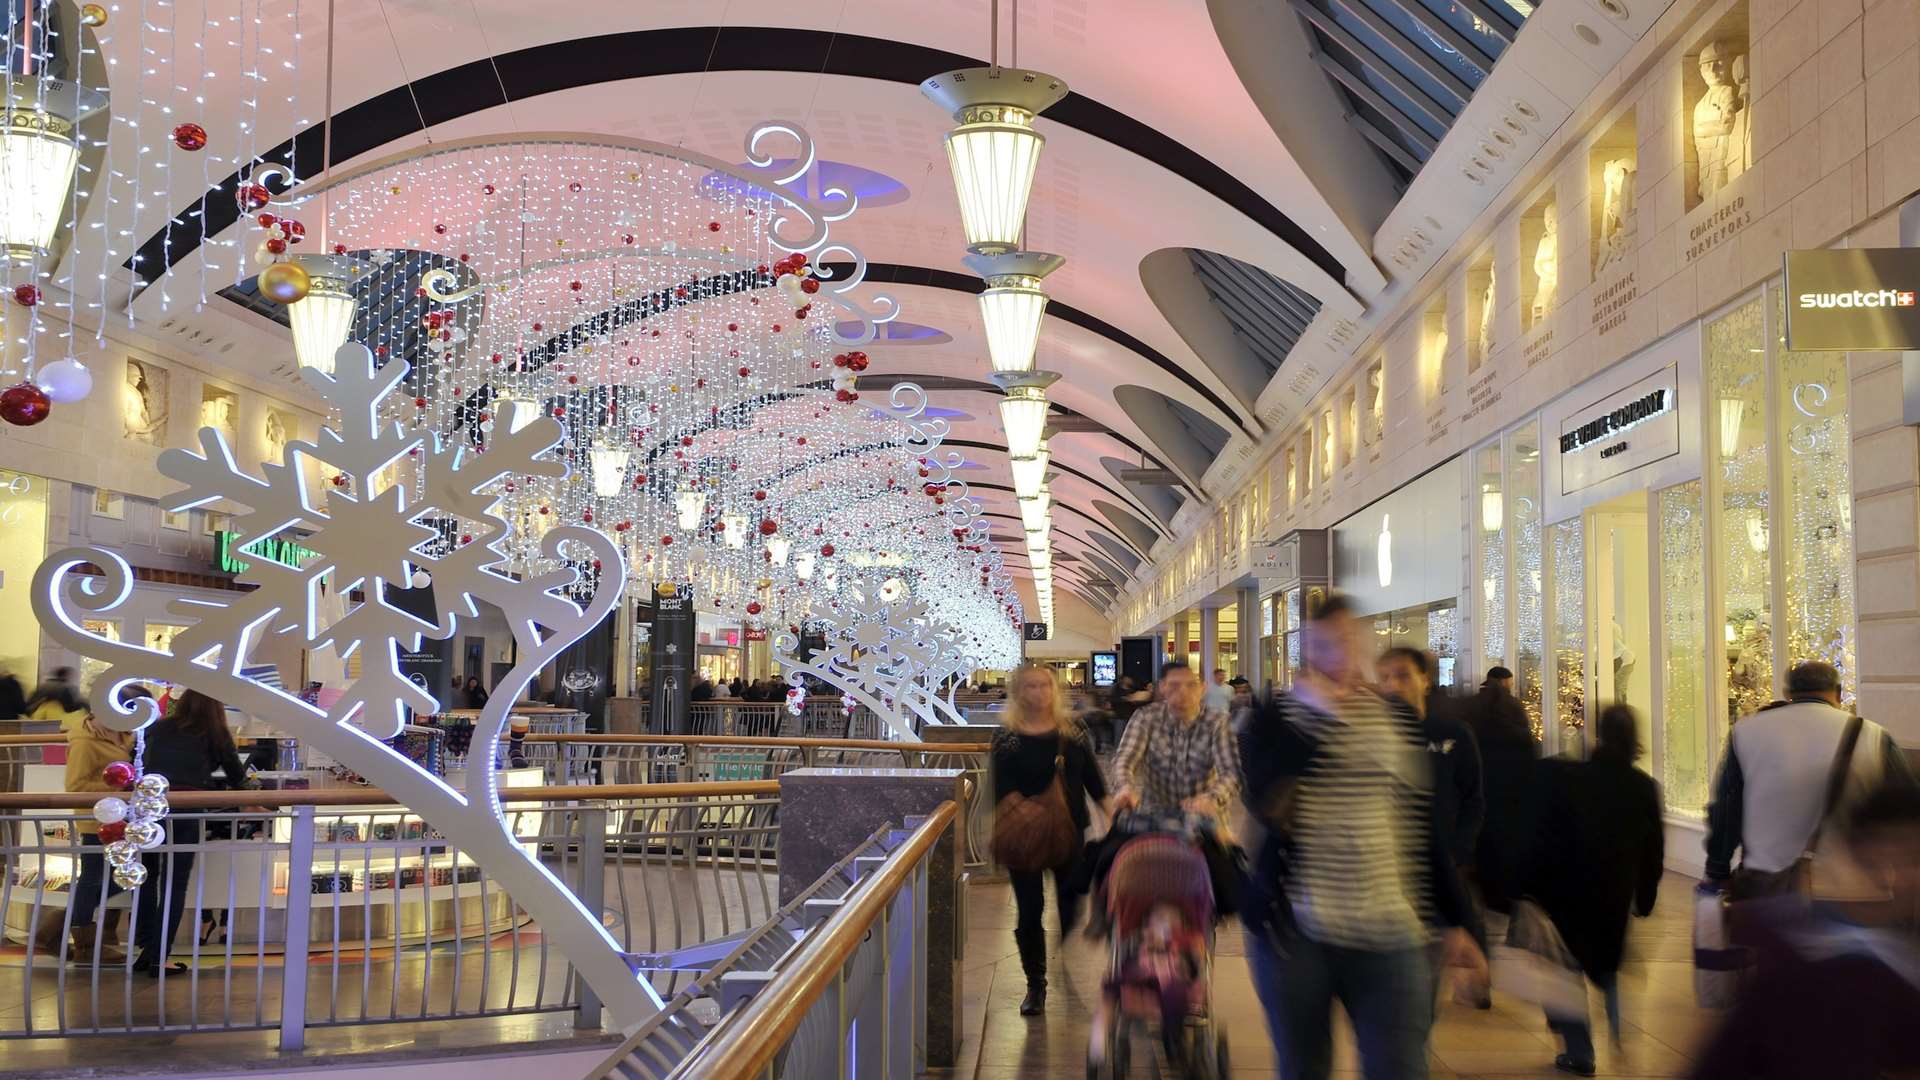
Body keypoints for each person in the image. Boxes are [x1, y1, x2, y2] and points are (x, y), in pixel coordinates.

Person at [1238, 594, 1484, 1080]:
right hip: (1295, 931)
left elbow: (1419, 825)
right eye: (1329, 643)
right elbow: (1266, 800)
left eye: (1352, 639)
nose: (1344, 652)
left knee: (1400, 1066)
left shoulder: (1394, 720)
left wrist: (1459, 920)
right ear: (1308, 650)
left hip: (1393, 928)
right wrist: (1321, 715)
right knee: (1304, 1066)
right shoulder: (1276, 719)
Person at [1691, 782, 1920, 1079]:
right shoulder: (1872, 968)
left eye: (1913, 860)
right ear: (1860, 853)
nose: (1898, 875)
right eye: (1891, 855)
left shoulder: (1789, 932)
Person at [1705, 660, 1917, 924]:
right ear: (1838, 693)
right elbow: (1904, 814)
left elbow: (1727, 809)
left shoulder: (1745, 732)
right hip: (1855, 892)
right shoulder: (1874, 737)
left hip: (1768, 886)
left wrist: (1717, 868)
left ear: (1788, 693)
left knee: (1774, 962)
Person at [1523, 705, 1664, 1077]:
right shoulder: (1641, 786)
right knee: (1608, 963)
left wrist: (1531, 886)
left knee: (1564, 967)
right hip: (1615, 889)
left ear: (1597, 733)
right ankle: (1618, 1032)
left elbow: (1545, 834)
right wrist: (1645, 895)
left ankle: (1580, 1049)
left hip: (1567, 888)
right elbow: (1653, 848)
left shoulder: (1569, 777)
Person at [990, 663, 1109, 1016]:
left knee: (1072, 901)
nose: (1038, 693)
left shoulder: (1072, 731)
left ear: (1053, 690)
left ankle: (1064, 954)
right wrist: (1024, 810)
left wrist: (1111, 815)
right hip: (1024, 837)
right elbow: (1000, 786)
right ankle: (1036, 983)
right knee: (1030, 911)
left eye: (1044, 686)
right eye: (1029, 686)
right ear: (1018, 692)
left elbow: (1093, 779)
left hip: (1069, 833)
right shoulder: (1007, 735)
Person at [1378, 647, 1486, 963]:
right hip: (1386, 881)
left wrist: (1458, 853)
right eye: (1384, 677)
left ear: (1425, 680)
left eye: (1402, 675)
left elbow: (1473, 798)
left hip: (1441, 874)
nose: (1393, 685)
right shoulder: (1371, 739)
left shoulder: (1453, 735)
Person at [134, 690, 249, 974]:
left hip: (149, 806)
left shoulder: (158, 727)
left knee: (147, 878)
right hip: (186, 810)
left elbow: (136, 761)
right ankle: (159, 957)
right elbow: (238, 778)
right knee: (175, 883)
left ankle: (146, 952)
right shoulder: (214, 733)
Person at [36, 685, 143, 964]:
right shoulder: (86, 740)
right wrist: (120, 789)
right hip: (97, 819)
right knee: (96, 878)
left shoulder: (124, 735)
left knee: (120, 877)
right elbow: (76, 785)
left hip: (118, 818)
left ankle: (58, 928)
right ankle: (81, 941)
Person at [1111, 663, 1239, 820]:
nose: (1183, 691)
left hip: (1203, 819)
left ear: (1203, 688)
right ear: (1163, 687)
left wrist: (1212, 798)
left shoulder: (1217, 722)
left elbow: (1230, 771)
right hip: (1155, 817)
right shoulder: (1147, 717)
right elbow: (1125, 758)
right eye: (1174, 685)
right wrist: (1125, 787)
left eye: (1191, 685)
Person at [1467, 665, 1539, 917]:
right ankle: (1503, 891)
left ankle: (1484, 887)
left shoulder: (1472, 705)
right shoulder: (1514, 706)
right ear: (1505, 681)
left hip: (1480, 781)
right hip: (1509, 785)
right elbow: (1526, 745)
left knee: (1483, 837)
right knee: (1505, 838)